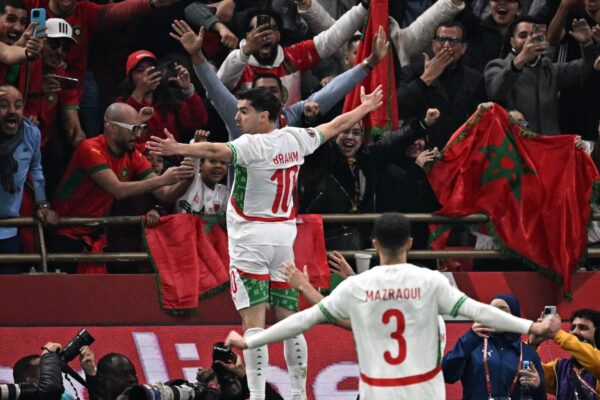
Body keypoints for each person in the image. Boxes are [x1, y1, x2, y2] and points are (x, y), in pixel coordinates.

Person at [148, 84, 384, 400]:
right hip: (283, 239)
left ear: (264, 116)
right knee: (291, 321)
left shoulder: (251, 145)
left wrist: (178, 147)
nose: (237, 116)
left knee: (254, 325)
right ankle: (299, 394)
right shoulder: (296, 138)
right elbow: (333, 126)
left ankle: (258, 396)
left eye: (243, 111)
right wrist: (364, 108)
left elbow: (216, 151)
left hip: (250, 241)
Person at [223, 213, 553, 399]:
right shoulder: (430, 283)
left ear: (374, 244)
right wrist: (532, 326)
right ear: (410, 243)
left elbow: (305, 319)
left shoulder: (360, 288)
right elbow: (480, 311)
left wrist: (251, 340)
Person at [48, 102, 194, 273]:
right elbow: (117, 190)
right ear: (113, 128)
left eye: (140, 129)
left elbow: (165, 194)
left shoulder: (133, 155)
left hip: (96, 235)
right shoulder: (89, 149)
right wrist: (163, 179)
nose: (138, 135)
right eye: (133, 129)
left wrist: (187, 178)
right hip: (65, 232)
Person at [216, 5, 368, 107]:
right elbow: (217, 88)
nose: (264, 35)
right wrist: (245, 52)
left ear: (279, 35)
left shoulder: (293, 56)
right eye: (256, 30)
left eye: (270, 29)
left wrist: (363, 7)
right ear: (246, 35)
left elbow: (332, 38)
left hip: (290, 134)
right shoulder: (237, 63)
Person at [484, 16, 599, 135]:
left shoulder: (549, 68)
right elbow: (495, 92)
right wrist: (521, 59)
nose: (529, 41)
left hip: (550, 144)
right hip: (515, 143)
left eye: (534, 36)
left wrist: (587, 45)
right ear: (512, 42)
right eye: (523, 36)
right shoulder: (498, 66)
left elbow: (586, 71)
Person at [397, 21, 486, 149]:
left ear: (463, 47)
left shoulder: (475, 79)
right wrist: (425, 79)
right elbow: (397, 108)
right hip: (418, 150)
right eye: (441, 39)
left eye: (453, 41)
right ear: (433, 44)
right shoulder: (412, 72)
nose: (446, 46)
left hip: (458, 151)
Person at [442, 293, 547, 399]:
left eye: (503, 310)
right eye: (492, 310)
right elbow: (447, 375)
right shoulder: (472, 345)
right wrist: (470, 338)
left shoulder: (528, 353)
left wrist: (538, 388)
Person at [0, 85, 58, 273]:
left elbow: (36, 170)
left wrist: (42, 203)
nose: (12, 111)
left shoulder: (31, 134)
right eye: (3, 106)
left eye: (18, 106)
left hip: (9, 229)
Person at [117, 50, 208, 143]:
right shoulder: (121, 104)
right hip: (140, 152)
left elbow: (198, 121)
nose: (147, 74)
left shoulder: (169, 98)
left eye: (152, 69)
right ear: (131, 77)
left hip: (172, 151)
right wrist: (140, 91)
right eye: (140, 70)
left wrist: (187, 88)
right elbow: (122, 136)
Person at [528, 308, 600, 398]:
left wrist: (558, 334)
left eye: (583, 328)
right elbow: (524, 370)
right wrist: (531, 345)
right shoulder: (559, 368)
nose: (574, 332)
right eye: (572, 328)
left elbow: (596, 363)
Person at [175, 129, 228, 215]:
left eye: (223, 162)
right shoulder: (191, 180)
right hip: (179, 223)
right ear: (200, 164)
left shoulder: (224, 192)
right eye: (212, 161)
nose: (218, 165)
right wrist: (197, 144)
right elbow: (191, 163)